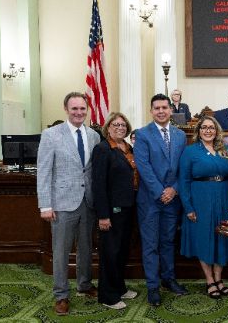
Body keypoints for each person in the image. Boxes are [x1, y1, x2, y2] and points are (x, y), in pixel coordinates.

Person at [37, 92, 100, 316]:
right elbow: (44, 172)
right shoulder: (51, 135)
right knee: (61, 251)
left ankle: (84, 284)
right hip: (62, 203)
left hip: (88, 202)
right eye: (74, 109)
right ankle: (61, 295)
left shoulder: (93, 135)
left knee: (86, 248)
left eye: (82, 109)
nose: (79, 113)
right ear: (66, 109)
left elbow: (92, 170)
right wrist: (45, 205)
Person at [134, 93, 188, 306]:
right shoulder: (142, 134)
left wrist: (173, 190)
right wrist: (161, 192)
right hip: (150, 200)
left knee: (168, 242)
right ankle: (152, 287)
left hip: (172, 200)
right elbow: (143, 167)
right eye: (157, 108)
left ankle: (169, 279)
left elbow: (183, 167)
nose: (161, 111)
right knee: (150, 245)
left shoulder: (180, 135)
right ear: (151, 111)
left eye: (164, 107)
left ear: (170, 110)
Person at [178, 116, 228, 299]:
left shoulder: (226, 150)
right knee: (204, 238)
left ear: (217, 130)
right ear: (199, 130)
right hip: (200, 199)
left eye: (211, 127)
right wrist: (188, 207)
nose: (208, 130)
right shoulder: (190, 151)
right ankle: (209, 280)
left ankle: (219, 278)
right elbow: (184, 181)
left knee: (222, 238)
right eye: (204, 127)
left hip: (224, 197)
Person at [92, 112, 139, 310]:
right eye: (115, 124)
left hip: (128, 208)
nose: (120, 128)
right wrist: (103, 215)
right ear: (108, 128)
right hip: (112, 210)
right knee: (110, 252)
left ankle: (119, 288)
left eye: (123, 125)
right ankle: (107, 295)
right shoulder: (103, 149)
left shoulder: (128, 148)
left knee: (121, 252)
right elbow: (99, 184)